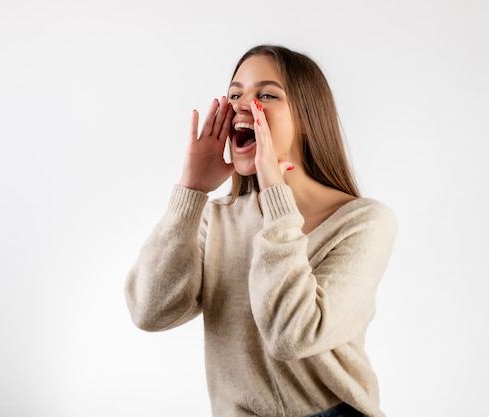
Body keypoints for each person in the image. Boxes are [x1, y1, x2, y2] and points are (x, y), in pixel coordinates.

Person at [124, 44, 396, 417]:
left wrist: (275, 198)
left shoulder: (363, 221)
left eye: (266, 94)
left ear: (306, 119)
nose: (241, 104)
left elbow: (292, 336)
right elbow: (149, 311)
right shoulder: (217, 218)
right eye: (235, 94)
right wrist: (190, 192)